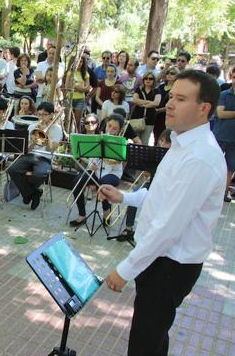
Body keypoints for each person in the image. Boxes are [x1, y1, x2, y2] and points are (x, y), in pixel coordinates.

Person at [100, 70, 225, 356]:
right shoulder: (181, 143)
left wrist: (126, 269)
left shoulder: (200, 157)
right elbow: (161, 196)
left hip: (170, 265)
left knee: (145, 343)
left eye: (181, 99)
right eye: (171, 97)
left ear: (203, 108)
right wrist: (124, 196)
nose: (169, 104)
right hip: (159, 260)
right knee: (152, 337)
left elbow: (169, 227)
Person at [69, 114, 124, 227]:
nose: (110, 130)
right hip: (96, 171)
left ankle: (106, 212)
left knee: (103, 185)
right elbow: (92, 158)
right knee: (77, 182)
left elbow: (116, 164)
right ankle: (82, 215)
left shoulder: (121, 142)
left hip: (113, 173)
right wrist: (91, 164)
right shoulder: (98, 138)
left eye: (115, 128)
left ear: (119, 130)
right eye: (109, 126)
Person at [119, 129, 172, 242]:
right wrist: (148, 170)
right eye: (162, 140)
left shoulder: (174, 157)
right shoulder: (155, 152)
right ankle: (129, 228)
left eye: (167, 142)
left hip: (165, 189)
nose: (163, 144)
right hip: (151, 184)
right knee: (134, 193)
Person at [8, 102, 62, 210]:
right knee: (12, 169)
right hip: (30, 155)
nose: (41, 117)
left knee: (40, 174)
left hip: (45, 157)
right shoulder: (32, 126)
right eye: (40, 114)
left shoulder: (57, 129)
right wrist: (32, 142)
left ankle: (27, 193)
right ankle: (33, 193)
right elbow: (26, 149)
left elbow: (51, 149)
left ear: (52, 115)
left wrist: (46, 135)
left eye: (45, 115)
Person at [213, 80, 235, 202]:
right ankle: (208, 189)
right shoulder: (224, 94)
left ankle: (224, 191)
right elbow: (220, 114)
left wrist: (229, 113)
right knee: (212, 163)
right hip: (220, 135)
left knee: (230, 167)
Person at [130, 71, 161, 145]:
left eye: (150, 78)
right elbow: (134, 100)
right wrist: (149, 102)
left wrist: (142, 103)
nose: (148, 80)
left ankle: (142, 156)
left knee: (144, 142)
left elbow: (156, 103)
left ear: (154, 80)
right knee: (136, 141)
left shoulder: (157, 90)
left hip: (150, 119)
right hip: (137, 117)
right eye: (146, 78)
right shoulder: (139, 89)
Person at [64, 55, 90, 131]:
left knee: (77, 122)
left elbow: (87, 88)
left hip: (80, 100)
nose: (79, 63)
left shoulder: (85, 74)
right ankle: (67, 136)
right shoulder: (70, 72)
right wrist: (81, 88)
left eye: (81, 62)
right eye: (78, 61)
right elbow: (67, 86)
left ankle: (77, 135)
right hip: (69, 99)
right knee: (68, 120)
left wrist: (75, 86)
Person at [153, 67, 179, 143]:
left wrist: (159, 110)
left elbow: (174, 104)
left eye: (172, 73)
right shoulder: (161, 86)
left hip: (168, 115)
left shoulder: (176, 88)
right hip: (157, 117)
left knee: (166, 138)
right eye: (167, 73)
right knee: (156, 137)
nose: (169, 75)